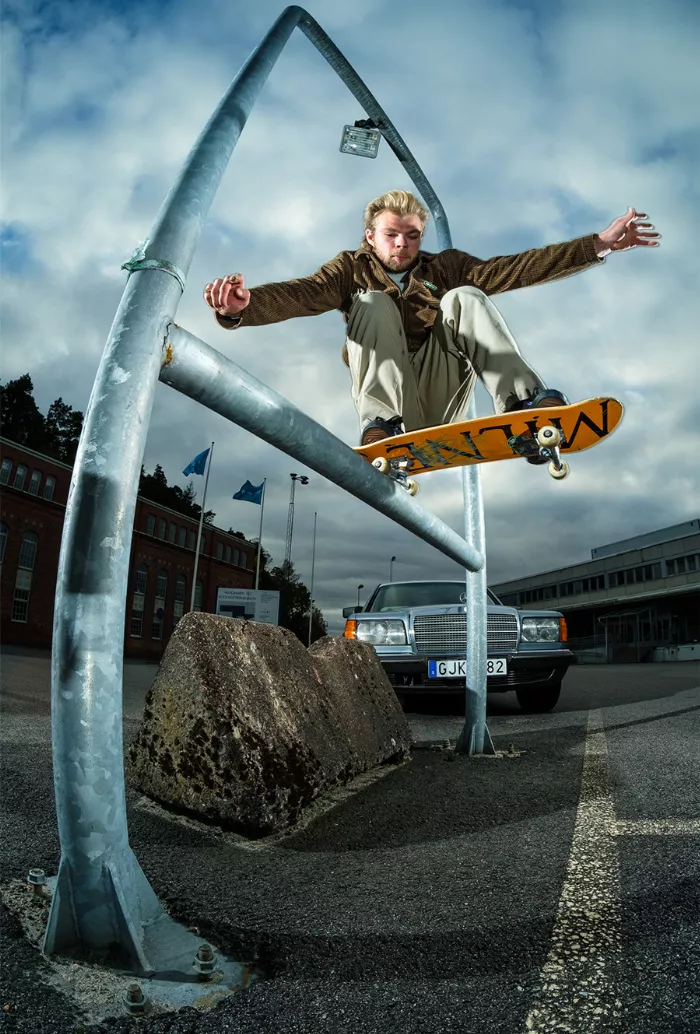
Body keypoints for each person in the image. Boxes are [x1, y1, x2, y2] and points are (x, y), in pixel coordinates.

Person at [203, 190, 659, 452]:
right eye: (391, 235)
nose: (402, 245)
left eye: (412, 236)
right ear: (370, 236)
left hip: (440, 391)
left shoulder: (447, 266)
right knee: (371, 304)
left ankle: (522, 407)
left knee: (465, 296)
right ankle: (380, 422)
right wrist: (243, 307)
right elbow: (302, 294)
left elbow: (516, 267)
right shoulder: (349, 268)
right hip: (390, 399)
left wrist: (597, 244)